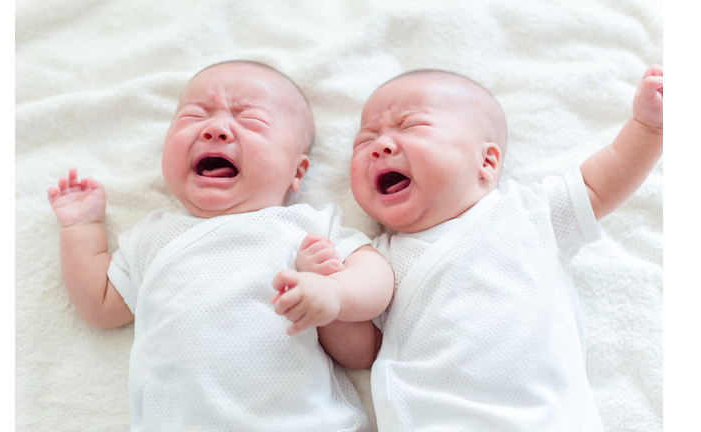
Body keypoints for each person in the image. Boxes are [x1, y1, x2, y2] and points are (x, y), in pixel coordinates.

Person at [302, 66, 663, 431]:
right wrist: (328, 306)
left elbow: (601, 183)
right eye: (363, 142)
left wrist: (648, 129)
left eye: (411, 127)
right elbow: (366, 352)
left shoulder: (530, 213)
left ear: (486, 161)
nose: (380, 146)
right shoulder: (376, 259)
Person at [47, 60, 394, 432]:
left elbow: (377, 274)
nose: (215, 128)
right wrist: (81, 227)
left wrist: (335, 291)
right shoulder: (153, 237)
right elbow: (99, 305)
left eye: (250, 120)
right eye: (194, 116)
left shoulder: (305, 227)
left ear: (297, 171)